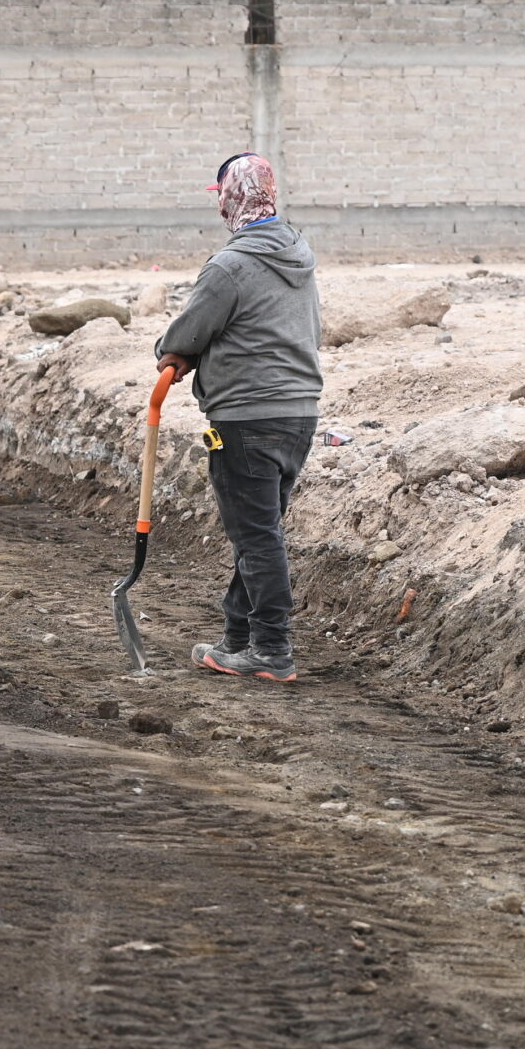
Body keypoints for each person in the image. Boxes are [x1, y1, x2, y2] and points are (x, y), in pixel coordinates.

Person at [154, 152, 322, 684]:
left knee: (256, 536)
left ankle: (271, 649)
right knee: (260, 529)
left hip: (247, 418)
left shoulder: (230, 265)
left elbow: (187, 333)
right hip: (299, 414)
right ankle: (237, 637)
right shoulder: (299, 253)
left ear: (231, 197)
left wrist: (173, 354)